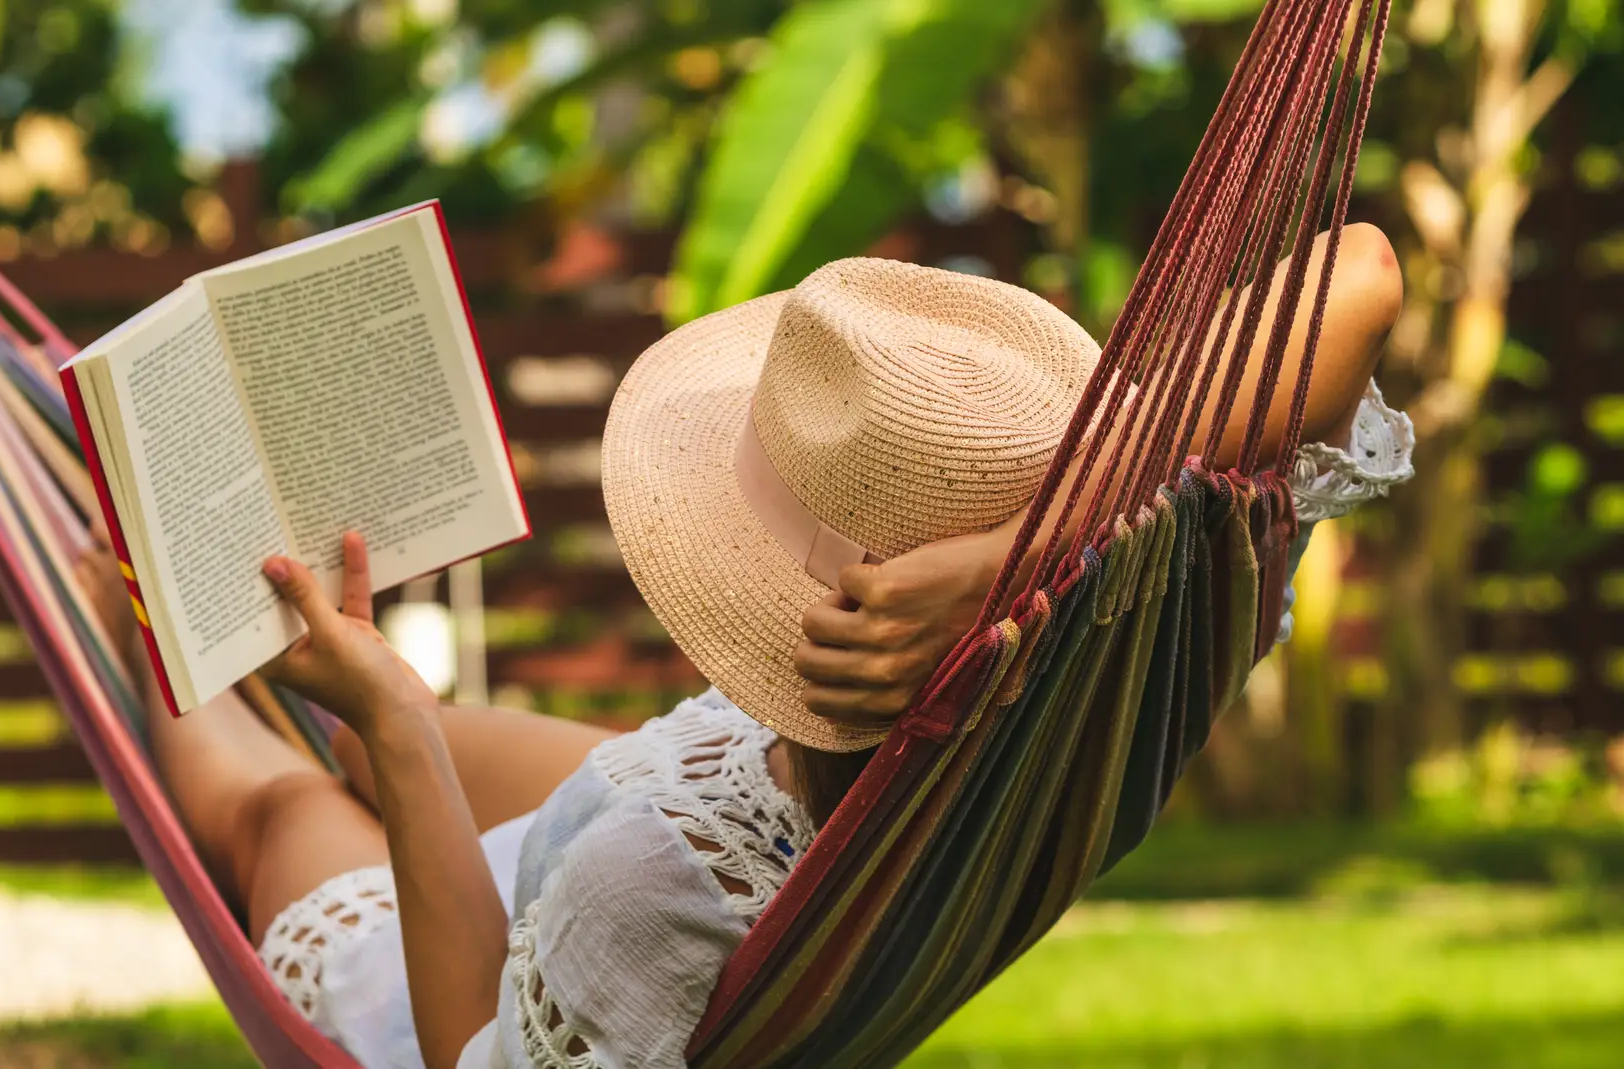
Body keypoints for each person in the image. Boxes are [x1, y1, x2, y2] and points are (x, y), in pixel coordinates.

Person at [76, 225, 1414, 1069]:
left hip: (511, 961)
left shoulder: (651, 893)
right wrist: (1025, 561)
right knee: (359, 730)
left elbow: (473, 1050)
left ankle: (125, 605)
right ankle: (270, 642)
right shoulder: (1134, 631)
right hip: (707, 784)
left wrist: (397, 729)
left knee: (289, 800)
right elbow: (1363, 270)